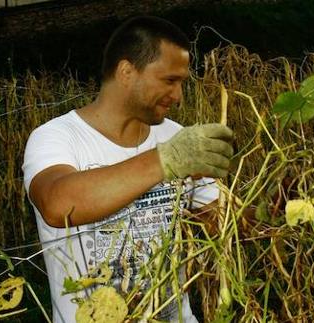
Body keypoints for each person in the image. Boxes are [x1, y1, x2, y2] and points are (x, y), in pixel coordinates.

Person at [22, 15, 234, 322]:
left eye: (182, 83)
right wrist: (166, 160)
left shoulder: (176, 136)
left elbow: (219, 220)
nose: (178, 96)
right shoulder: (58, 137)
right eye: (169, 81)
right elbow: (57, 205)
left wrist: (277, 209)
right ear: (126, 72)